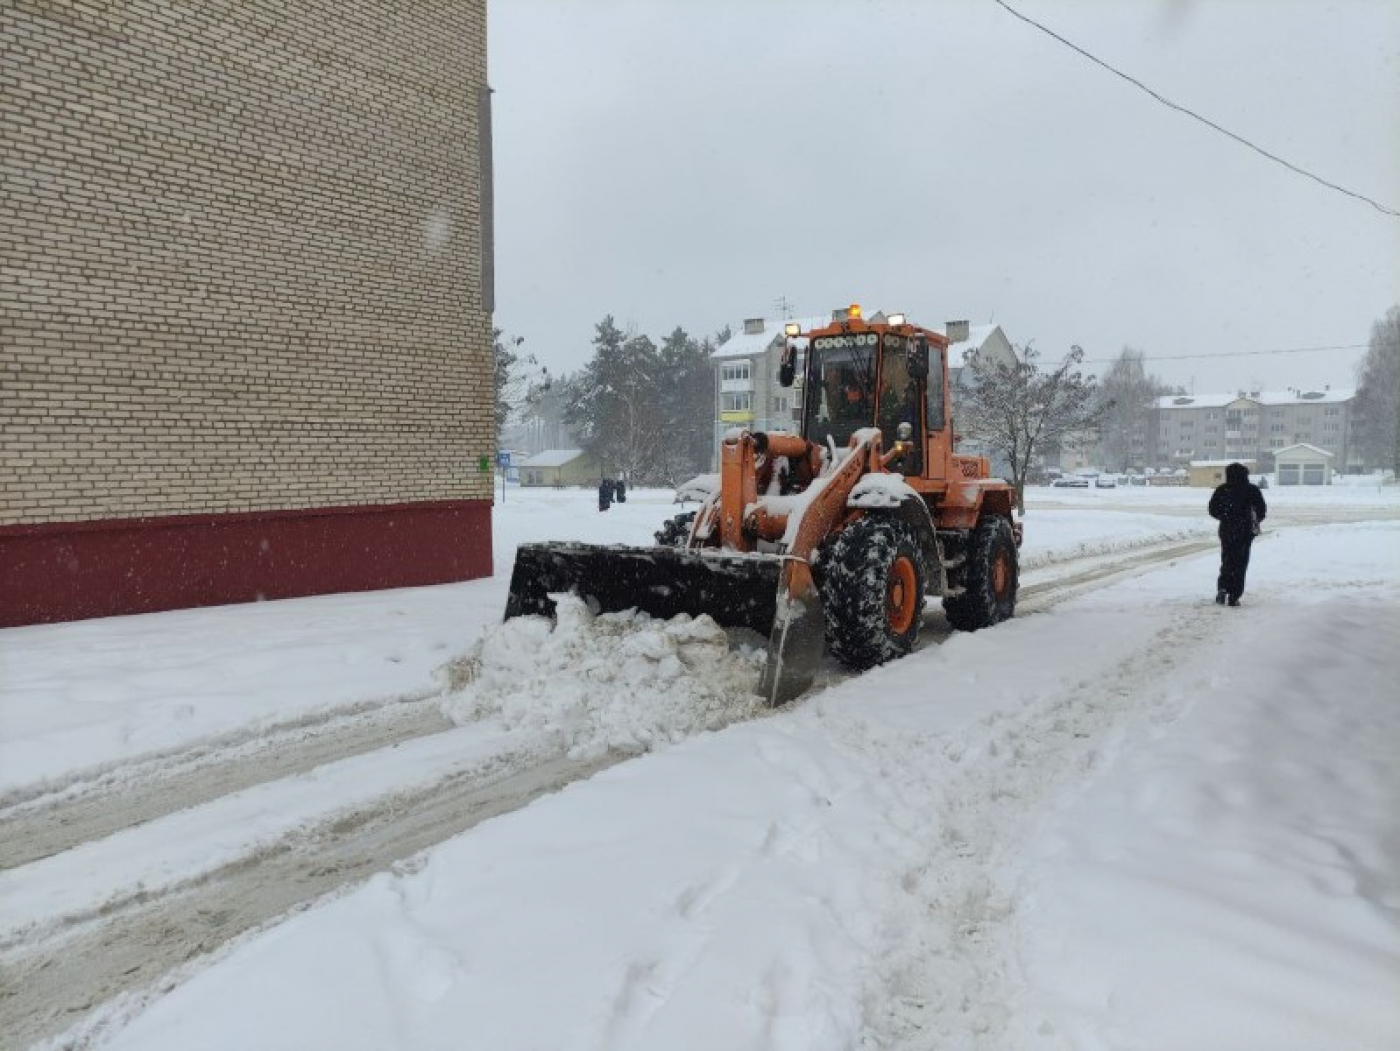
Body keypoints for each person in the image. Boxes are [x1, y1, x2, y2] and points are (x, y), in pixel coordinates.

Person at [1208, 462, 1267, 606]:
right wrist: (1252, 519)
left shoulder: (1222, 490)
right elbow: (1261, 510)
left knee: (1227, 560)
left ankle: (1222, 589)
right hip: (1245, 531)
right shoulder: (1252, 490)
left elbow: (1212, 509)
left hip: (1226, 530)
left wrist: (1225, 516)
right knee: (1240, 563)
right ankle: (1234, 595)